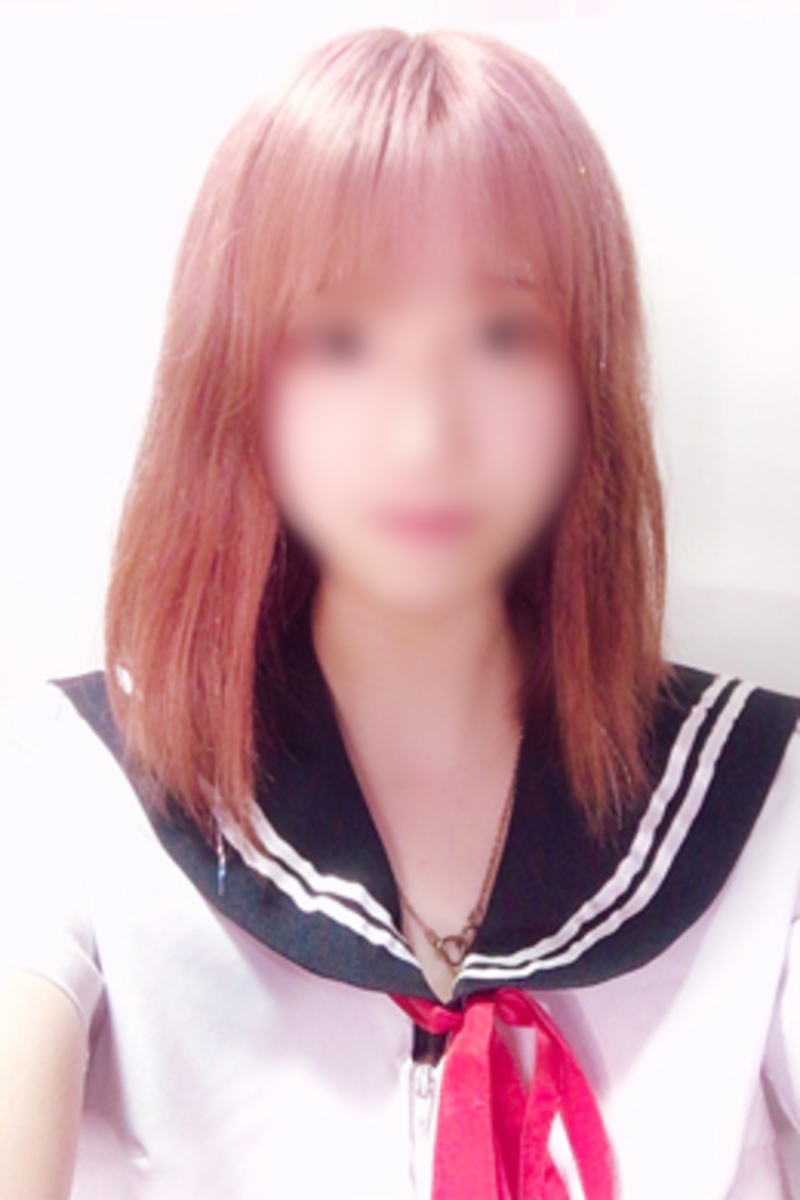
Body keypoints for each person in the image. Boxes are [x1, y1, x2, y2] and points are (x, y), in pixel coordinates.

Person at [0, 24, 798, 1200]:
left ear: (586, 374)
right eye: (340, 340)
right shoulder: (70, 792)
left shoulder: (767, 806)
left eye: (500, 336)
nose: (425, 435)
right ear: (235, 374)